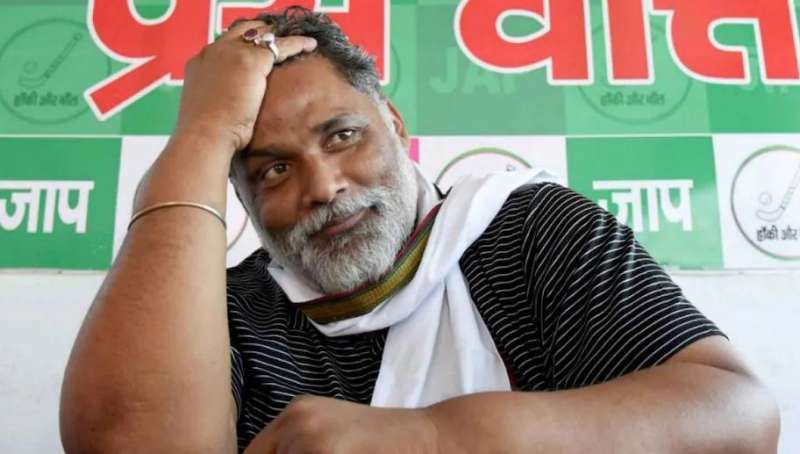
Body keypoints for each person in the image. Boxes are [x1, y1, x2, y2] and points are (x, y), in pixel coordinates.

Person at [60, 7, 779, 454]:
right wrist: (204, 130)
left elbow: (737, 419)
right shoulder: (226, 313)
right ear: (239, 198)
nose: (323, 186)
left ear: (396, 125)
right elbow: (130, 443)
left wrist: (434, 438)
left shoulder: (525, 231)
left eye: (343, 136)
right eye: (273, 170)